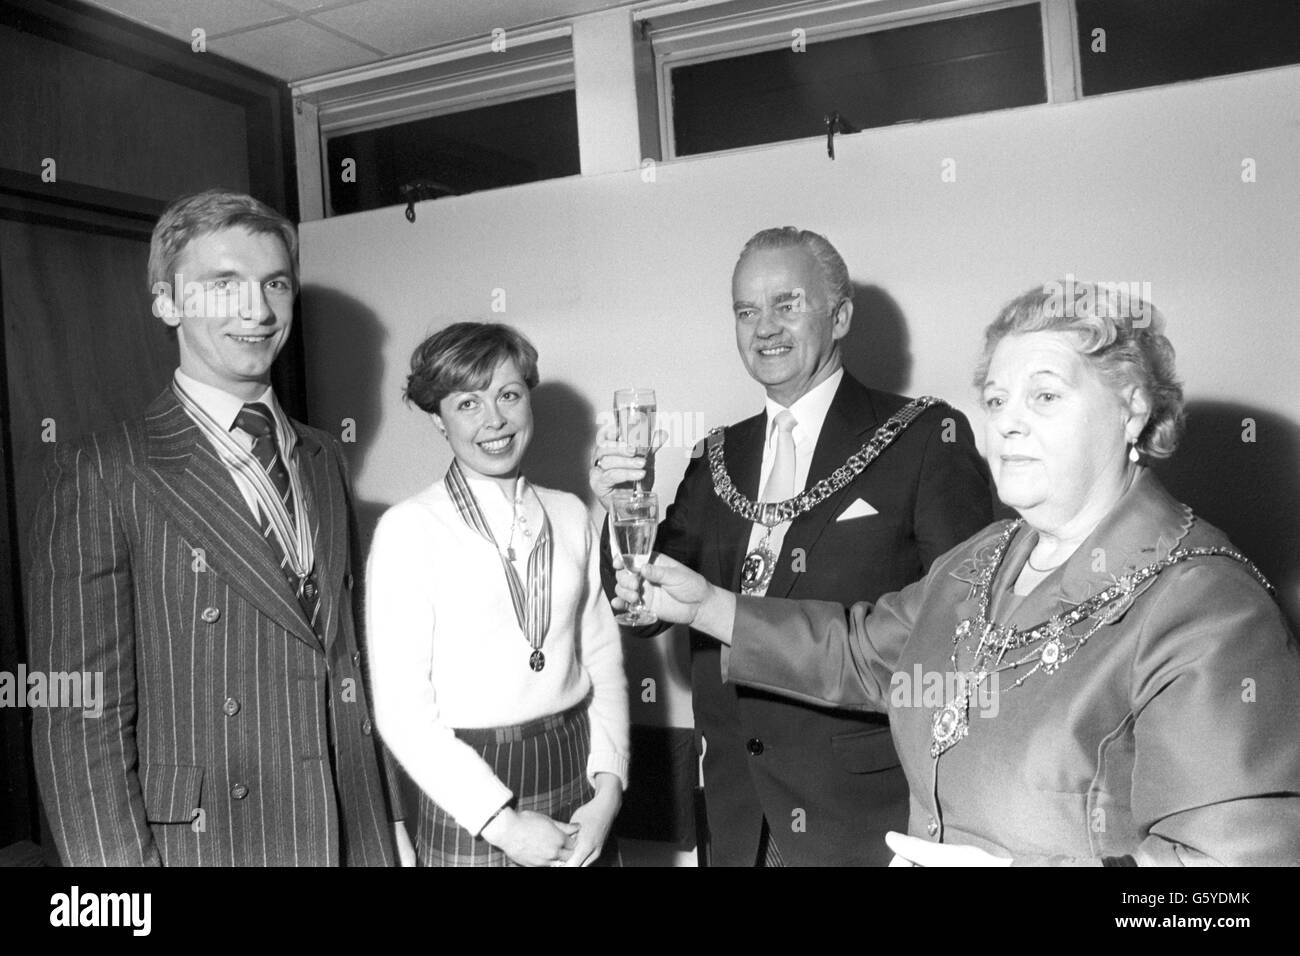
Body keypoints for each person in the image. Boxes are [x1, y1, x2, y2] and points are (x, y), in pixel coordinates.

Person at [616, 280, 1300, 865]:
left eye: (1045, 397)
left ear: (1133, 410)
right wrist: (705, 605)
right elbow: (860, 651)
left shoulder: (1209, 609)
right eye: (997, 400)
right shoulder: (984, 559)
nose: (1006, 425)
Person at [27, 189, 411, 866]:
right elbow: (77, 720)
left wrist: (391, 833)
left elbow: (347, 669)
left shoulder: (321, 457)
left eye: (275, 284)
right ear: (167, 302)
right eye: (222, 285)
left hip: (352, 835)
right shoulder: (105, 469)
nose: (257, 311)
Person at [590, 227, 992, 865]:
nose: (764, 328)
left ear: (842, 316)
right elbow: (639, 609)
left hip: (865, 816)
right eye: (746, 311)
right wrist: (623, 504)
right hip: (735, 809)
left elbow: (964, 636)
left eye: (787, 304)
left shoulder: (923, 437)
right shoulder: (717, 455)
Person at [367, 322, 629, 867]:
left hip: (576, 766)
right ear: (438, 419)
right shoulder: (409, 528)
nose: (495, 420)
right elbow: (402, 712)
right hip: (472, 790)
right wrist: (502, 824)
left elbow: (602, 659)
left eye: (508, 395)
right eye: (467, 403)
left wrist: (608, 787)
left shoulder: (570, 513)